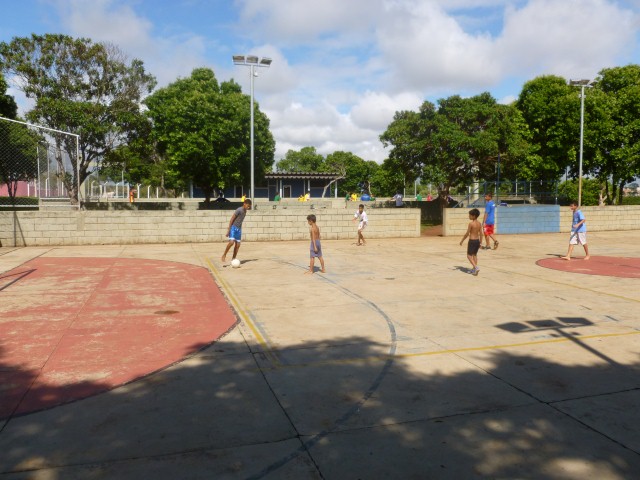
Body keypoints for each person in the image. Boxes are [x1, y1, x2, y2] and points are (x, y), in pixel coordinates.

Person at [221, 198, 252, 263]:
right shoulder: (239, 210)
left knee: (238, 245)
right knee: (231, 242)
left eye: (249, 206)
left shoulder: (245, 211)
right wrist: (229, 230)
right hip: (233, 228)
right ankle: (224, 255)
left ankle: (233, 258)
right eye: (248, 206)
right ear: (244, 204)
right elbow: (232, 219)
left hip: (239, 229)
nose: (248, 207)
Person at [460, 208, 483, 276]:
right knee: (474, 255)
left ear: (474, 216)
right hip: (477, 241)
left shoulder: (471, 224)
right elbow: (481, 234)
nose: (469, 216)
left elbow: (467, 233)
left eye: (470, 215)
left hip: (472, 241)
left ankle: (476, 267)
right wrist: (480, 243)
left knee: (469, 256)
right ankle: (474, 269)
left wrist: (462, 240)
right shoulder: (479, 223)